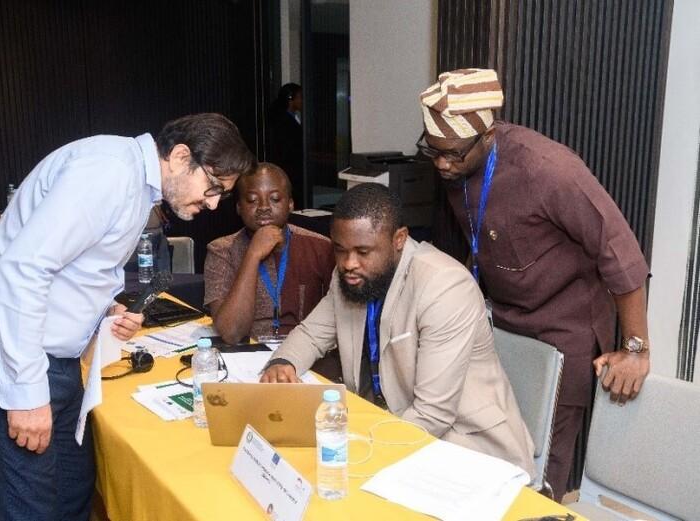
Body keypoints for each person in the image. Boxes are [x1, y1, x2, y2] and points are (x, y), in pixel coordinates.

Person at [0, 113, 256, 520]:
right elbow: (25, 267)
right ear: (180, 157)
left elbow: (76, 267)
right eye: (213, 186)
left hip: (48, 360)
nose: (213, 203)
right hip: (2, 358)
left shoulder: (133, 184)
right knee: (27, 510)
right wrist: (26, 394)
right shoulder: (109, 173)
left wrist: (105, 309)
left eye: (222, 194)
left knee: (72, 493)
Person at [418, 68, 651, 499]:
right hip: (500, 322)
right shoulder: (455, 162)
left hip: (563, 329)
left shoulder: (549, 170)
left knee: (544, 469)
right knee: (490, 446)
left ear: (487, 136)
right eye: (432, 151)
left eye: (451, 154)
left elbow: (621, 253)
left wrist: (636, 347)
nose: (442, 165)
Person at [261, 183, 535, 475]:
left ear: (399, 239)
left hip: (466, 450)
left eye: (363, 251)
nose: (348, 263)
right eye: (340, 250)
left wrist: (362, 450)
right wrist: (282, 362)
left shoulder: (443, 286)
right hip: (389, 432)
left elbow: (433, 415)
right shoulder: (352, 277)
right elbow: (311, 334)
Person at [204, 163, 340, 379]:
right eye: (252, 200)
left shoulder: (321, 247)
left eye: (275, 199)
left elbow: (335, 324)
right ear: (239, 207)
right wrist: (252, 255)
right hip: (245, 359)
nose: (264, 207)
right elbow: (231, 333)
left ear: (291, 204)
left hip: (305, 360)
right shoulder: (221, 251)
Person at [267, 83, 304, 208]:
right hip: (289, 169)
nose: (302, 100)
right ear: (290, 99)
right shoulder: (283, 122)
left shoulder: (294, 118)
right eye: (300, 97)